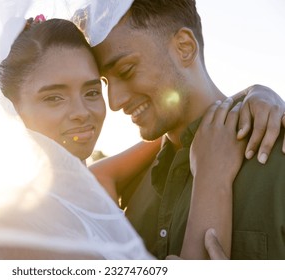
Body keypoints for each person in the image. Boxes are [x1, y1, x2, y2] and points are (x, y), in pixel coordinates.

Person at [0, 16, 282, 260]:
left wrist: (255, 94)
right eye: (54, 98)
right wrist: (212, 178)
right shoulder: (14, 224)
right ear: (11, 109)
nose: (89, 110)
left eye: (92, 91)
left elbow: (172, 139)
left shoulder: (99, 185)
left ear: (185, 47)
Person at [91, 0, 285, 259]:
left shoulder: (277, 154)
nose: (114, 102)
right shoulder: (129, 188)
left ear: (184, 47)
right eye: (105, 82)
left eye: (126, 71)